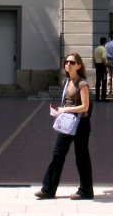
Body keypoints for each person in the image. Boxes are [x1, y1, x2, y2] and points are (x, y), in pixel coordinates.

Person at [36, 53, 94, 200]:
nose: (68, 64)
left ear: (79, 66)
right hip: (68, 123)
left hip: (81, 123)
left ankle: (86, 191)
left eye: (72, 62)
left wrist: (65, 110)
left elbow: (85, 107)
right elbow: (67, 103)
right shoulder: (67, 81)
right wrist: (59, 112)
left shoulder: (82, 84)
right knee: (58, 153)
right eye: (66, 62)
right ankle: (48, 189)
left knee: (81, 156)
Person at [92, 37, 108, 102]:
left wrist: (96, 65)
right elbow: (104, 59)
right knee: (104, 82)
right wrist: (106, 68)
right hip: (102, 66)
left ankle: (97, 98)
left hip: (97, 65)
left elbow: (93, 58)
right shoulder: (103, 49)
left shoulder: (96, 49)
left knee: (98, 82)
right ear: (105, 42)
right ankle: (103, 98)